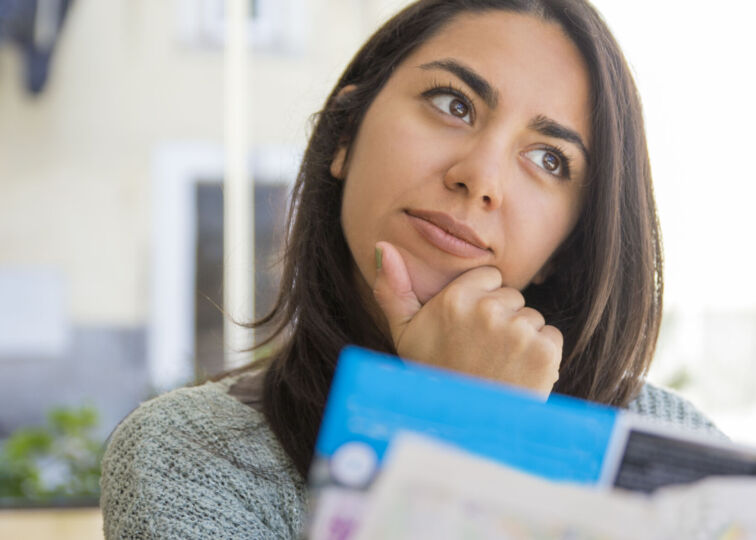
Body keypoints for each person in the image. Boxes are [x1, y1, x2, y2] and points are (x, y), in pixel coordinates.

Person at [100, 0, 723, 537]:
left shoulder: (680, 453)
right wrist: (465, 426)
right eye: (453, 103)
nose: (480, 176)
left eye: (549, 159)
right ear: (344, 134)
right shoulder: (190, 455)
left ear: (569, 241)